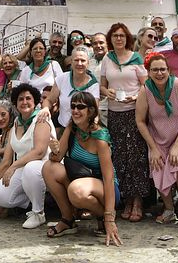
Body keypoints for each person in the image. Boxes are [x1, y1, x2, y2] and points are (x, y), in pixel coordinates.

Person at [43, 92, 122, 246]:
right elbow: (56, 159)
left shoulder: (100, 137)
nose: (75, 110)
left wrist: (110, 218)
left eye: (80, 107)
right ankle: (68, 219)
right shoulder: (72, 127)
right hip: (80, 181)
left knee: (76, 190)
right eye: (73, 106)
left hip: (106, 188)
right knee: (48, 168)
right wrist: (54, 150)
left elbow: (108, 178)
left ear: (91, 111)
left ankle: (102, 216)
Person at [135, 53, 178, 231]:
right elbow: (140, 121)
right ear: (149, 72)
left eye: (162, 69)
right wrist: (153, 148)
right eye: (155, 70)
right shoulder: (145, 90)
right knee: (157, 163)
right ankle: (169, 209)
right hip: (159, 134)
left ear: (169, 70)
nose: (159, 73)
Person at [100, 22, 149, 222]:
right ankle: (127, 200)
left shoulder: (136, 58)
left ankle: (138, 201)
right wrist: (108, 92)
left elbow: (146, 85)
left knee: (136, 156)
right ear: (110, 39)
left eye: (122, 35)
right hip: (115, 113)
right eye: (115, 36)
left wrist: (136, 97)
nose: (118, 39)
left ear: (127, 38)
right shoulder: (107, 58)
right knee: (120, 156)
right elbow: (102, 86)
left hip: (134, 112)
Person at [0, 83, 56, 229]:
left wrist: (13, 166)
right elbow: (7, 158)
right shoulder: (16, 122)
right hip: (23, 169)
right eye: (20, 99)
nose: (24, 102)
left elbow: (39, 151)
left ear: (35, 101)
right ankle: (34, 198)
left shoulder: (41, 118)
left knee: (30, 168)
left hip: (45, 166)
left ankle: (38, 213)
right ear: (15, 103)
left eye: (28, 98)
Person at [51, 46, 101, 133]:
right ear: (71, 62)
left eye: (83, 60)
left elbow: (94, 111)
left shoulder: (93, 84)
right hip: (63, 127)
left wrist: (93, 130)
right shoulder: (61, 78)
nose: (79, 63)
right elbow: (49, 100)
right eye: (76, 60)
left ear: (88, 63)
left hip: (83, 130)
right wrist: (45, 109)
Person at [18, 37, 62, 103]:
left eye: (41, 48)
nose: (38, 51)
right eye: (35, 48)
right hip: (32, 106)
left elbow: (61, 86)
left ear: (45, 52)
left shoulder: (54, 65)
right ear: (31, 52)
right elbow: (22, 91)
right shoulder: (26, 71)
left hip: (51, 104)